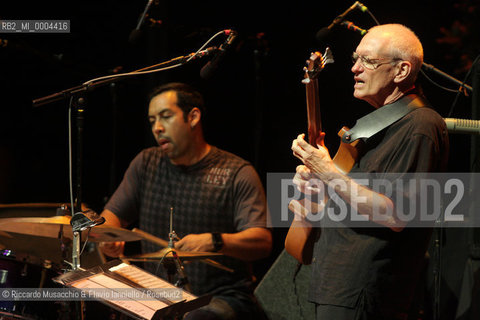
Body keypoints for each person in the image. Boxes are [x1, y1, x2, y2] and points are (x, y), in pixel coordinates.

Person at [288, 24, 449, 319]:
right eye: (354, 59)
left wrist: (326, 171)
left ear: (401, 71)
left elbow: (396, 214)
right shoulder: (377, 127)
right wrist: (316, 190)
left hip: (364, 293)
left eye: (368, 61)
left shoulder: (421, 125)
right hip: (338, 287)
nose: (355, 69)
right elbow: (356, 201)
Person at [99, 82, 272, 320]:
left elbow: (261, 242)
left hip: (220, 297)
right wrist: (108, 236)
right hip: (157, 295)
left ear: (193, 117)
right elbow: (112, 216)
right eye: (152, 121)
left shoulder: (236, 172)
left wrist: (215, 241)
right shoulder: (146, 163)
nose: (157, 128)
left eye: (166, 117)